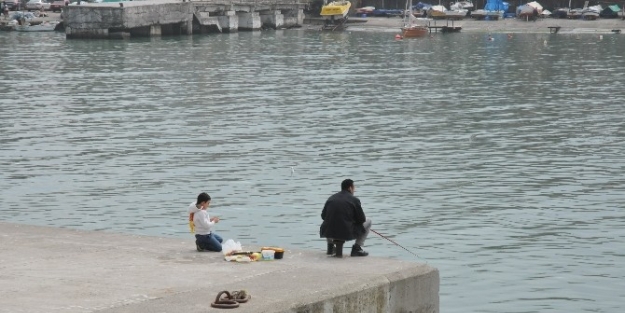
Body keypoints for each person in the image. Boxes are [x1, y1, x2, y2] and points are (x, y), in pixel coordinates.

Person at [320, 179, 371, 257]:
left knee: (329, 221)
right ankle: (357, 248)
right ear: (350, 188)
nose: (354, 190)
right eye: (354, 187)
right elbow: (362, 219)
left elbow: (323, 216)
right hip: (346, 232)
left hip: (328, 231)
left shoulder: (331, 198)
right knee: (369, 221)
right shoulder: (354, 200)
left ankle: (330, 247)